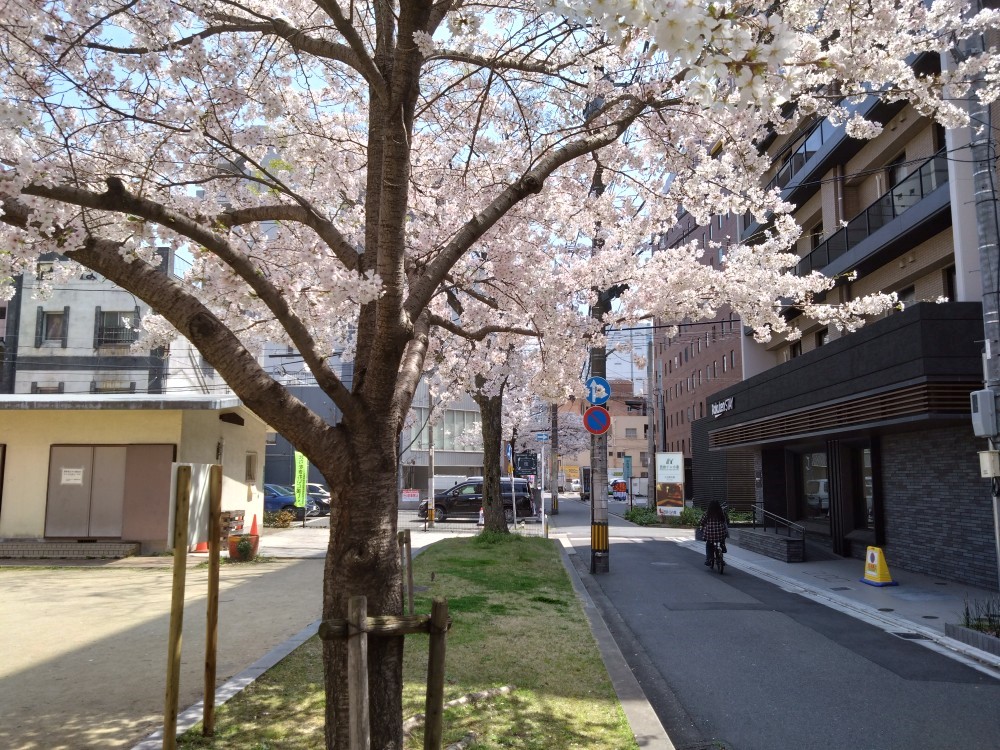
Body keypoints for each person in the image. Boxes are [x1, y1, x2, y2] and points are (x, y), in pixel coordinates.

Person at [699, 500, 729, 566]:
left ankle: (708, 559)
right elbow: (727, 520)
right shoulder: (722, 512)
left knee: (709, 544)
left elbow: (701, 522)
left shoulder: (707, 513)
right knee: (722, 537)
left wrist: (703, 525)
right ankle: (722, 545)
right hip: (720, 534)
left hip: (710, 534)